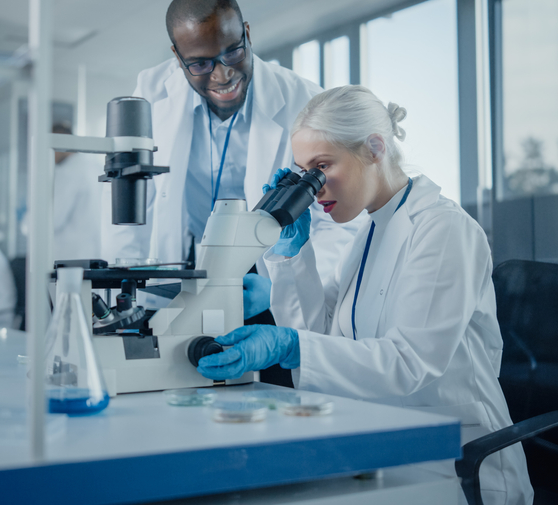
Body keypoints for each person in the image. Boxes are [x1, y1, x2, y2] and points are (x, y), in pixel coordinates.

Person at [196, 86, 534, 505]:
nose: (314, 187)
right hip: (382, 443)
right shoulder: (369, 232)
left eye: (322, 167)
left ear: (375, 148)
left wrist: (290, 345)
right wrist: (292, 255)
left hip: (458, 462)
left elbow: (409, 363)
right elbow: (324, 335)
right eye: (304, 172)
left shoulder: (443, 229)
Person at [101, 0, 357, 363]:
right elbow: (130, 209)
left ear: (247, 33)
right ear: (178, 58)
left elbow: (336, 222)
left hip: (265, 274)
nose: (222, 74)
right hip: (183, 269)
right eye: (200, 64)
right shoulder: (151, 94)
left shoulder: (303, 102)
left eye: (233, 52)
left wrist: (280, 284)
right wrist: (127, 287)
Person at [51, 122, 101, 261]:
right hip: (96, 253)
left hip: (71, 256)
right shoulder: (94, 166)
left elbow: (54, 220)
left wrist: (27, 222)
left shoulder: (67, 172)